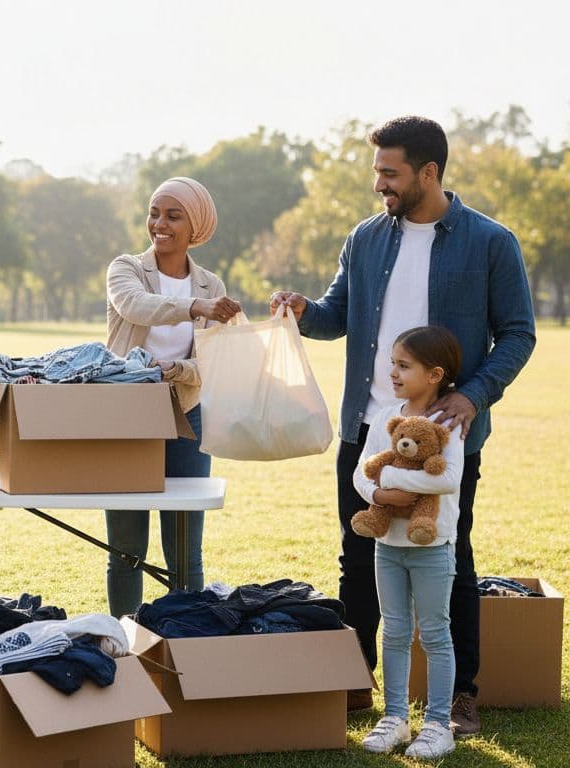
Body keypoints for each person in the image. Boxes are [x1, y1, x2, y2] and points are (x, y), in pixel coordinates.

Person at [270, 116, 536, 732]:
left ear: (429, 171)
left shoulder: (492, 242)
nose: (380, 185)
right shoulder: (365, 238)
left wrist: (473, 395)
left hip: (446, 438)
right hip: (367, 433)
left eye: (389, 173)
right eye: (377, 173)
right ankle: (353, 684)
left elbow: (518, 333)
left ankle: (460, 695)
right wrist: (304, 310)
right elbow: (337, 314)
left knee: (451, 556)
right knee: (356, 557)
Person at [103, 177, 241, 617]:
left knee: (185, 551)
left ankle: (184, 638)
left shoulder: (210, 285)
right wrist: (194, 309)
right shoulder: (126, 268)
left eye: (173, 216)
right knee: (126, 551)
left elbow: (212, 365)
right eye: (154, 213)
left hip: (188, 415)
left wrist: (174, 370)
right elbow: (136, 306)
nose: (159, 224)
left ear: (194, 226)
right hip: (126, 417)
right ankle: (124, 640)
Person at [356, 326, 464, 759]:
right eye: (393, 363)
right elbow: (362, 471)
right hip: (388, 544)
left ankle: (439, 724)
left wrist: (389, 478)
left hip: (433, 547)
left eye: (404, 365)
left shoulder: (448, 422)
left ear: (435, 374)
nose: (394, 372)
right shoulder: (386, 415)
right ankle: (396, 718)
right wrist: (379, 494)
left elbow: (450, 478)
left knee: (435, 634)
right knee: (395, 631)